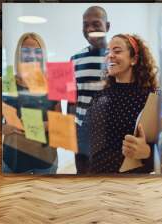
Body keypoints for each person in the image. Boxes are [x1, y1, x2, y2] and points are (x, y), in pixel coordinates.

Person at [84, 34, 162, 174]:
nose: (110, 56)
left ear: (134, 59)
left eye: (117, 51)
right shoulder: (100, 95)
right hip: (97, 175)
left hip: (131, 182)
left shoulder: (152, 99)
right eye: (108, 52)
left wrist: (147, 152)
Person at [2, 32, 58, 174]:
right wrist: (3, 128)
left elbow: (59, 121)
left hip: (45, 159)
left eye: (37, 51)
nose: (32, 56)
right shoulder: (8, 80)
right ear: (19, 54)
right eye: (26, 51)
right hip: (14, 160)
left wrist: (37, 125)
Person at [70, 6, 110, 174]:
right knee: (83, 172)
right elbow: (72, 97)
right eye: (85, 25)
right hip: (81, 129)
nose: (90, 29)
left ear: (107, 26)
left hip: (110, 127)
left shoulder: (116, 57)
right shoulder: (74, 59)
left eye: (96, 24)